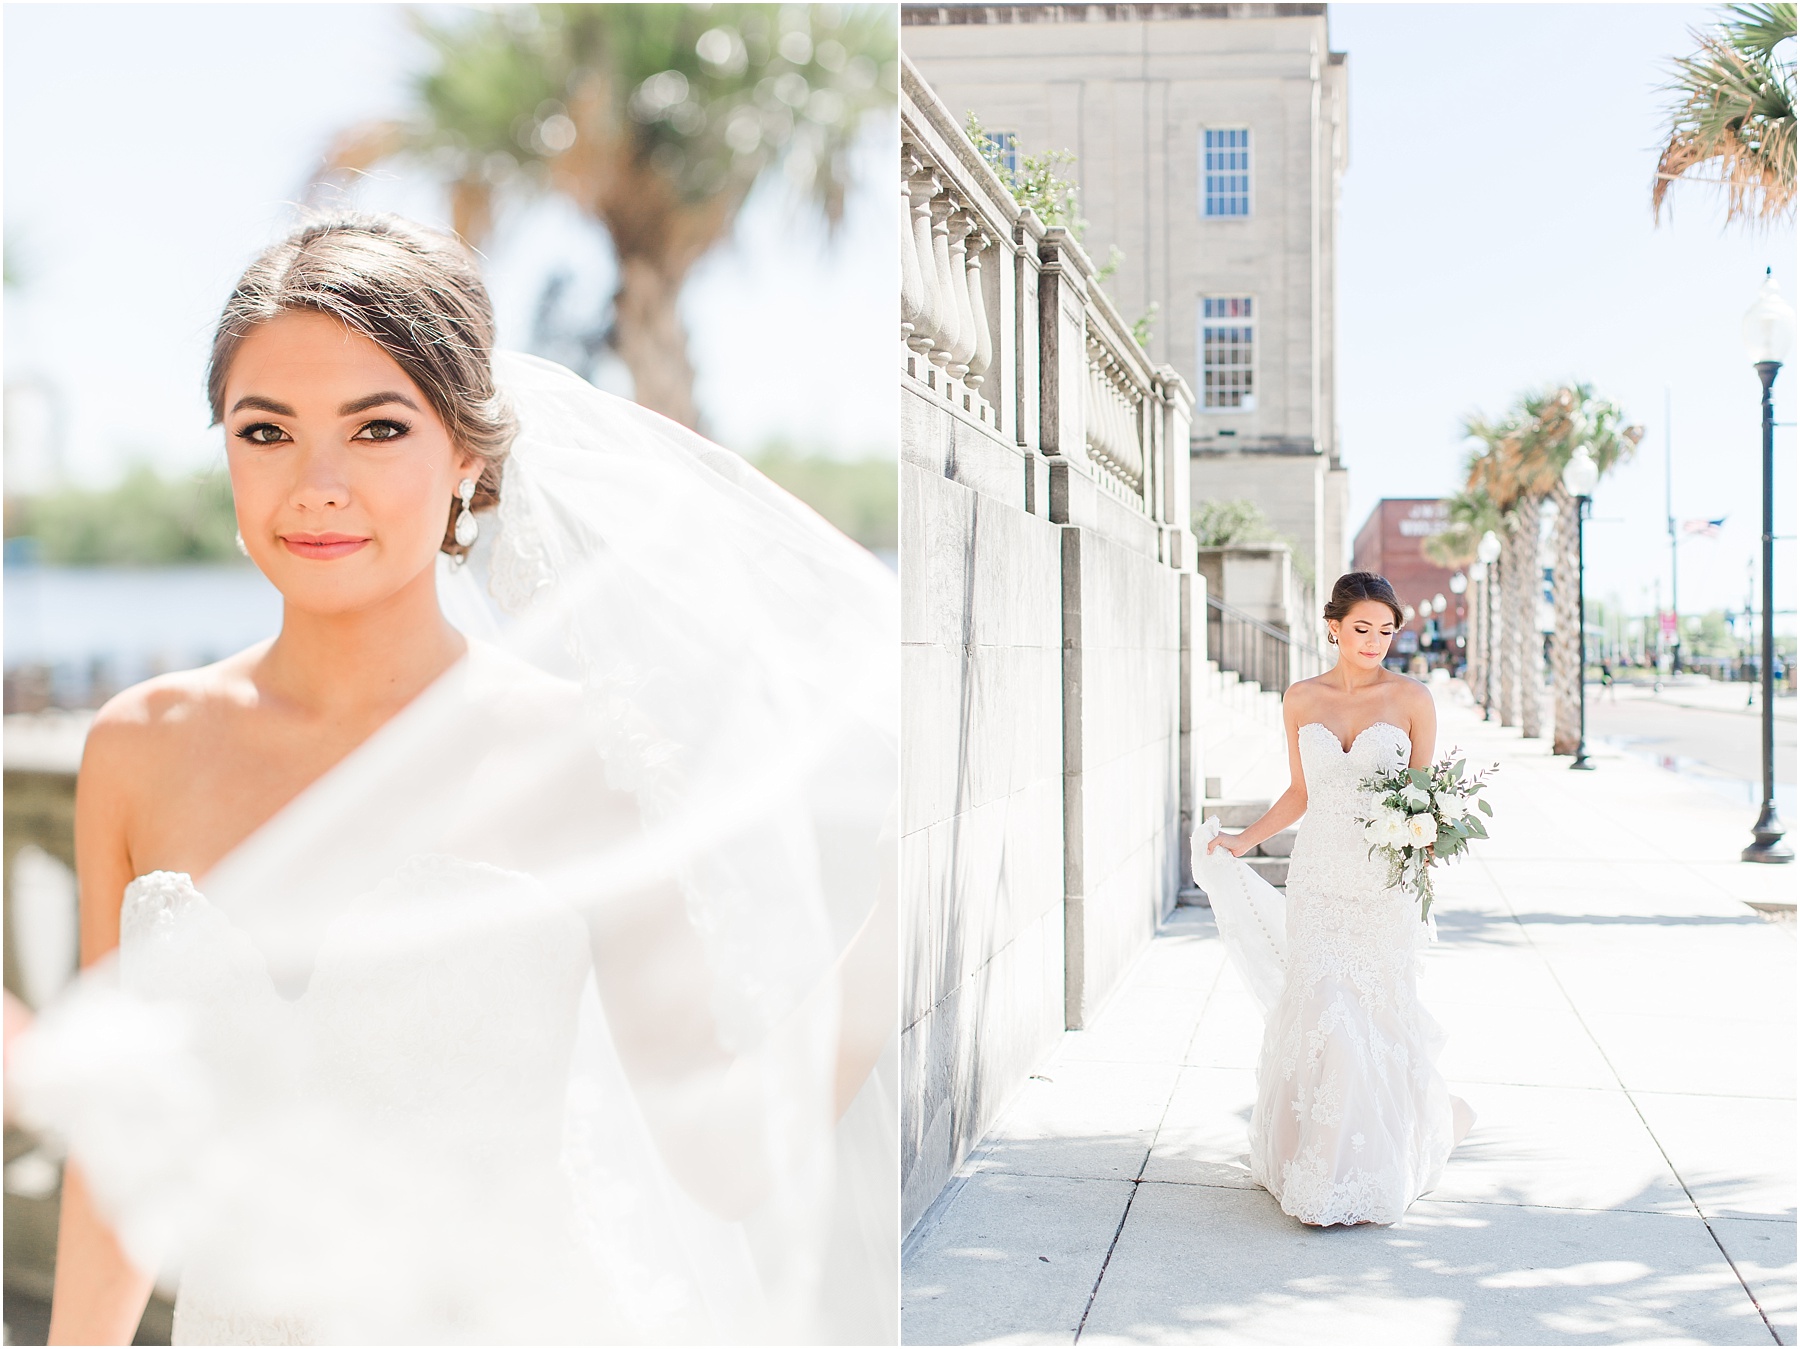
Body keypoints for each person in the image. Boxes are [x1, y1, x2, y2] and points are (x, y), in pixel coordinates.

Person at [7, 214, 897, 1345]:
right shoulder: (140, 746)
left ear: (468, 453)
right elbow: (120, 1143)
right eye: (266, 430)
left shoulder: (584, 754)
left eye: (378, 428)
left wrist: (898, 916)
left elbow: (723, 1151)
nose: (316, 484)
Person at [1194, 570, 1472, 1227]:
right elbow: (1300, 792)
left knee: (1372, 1014)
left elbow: (1422, 793)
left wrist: (1425, 849)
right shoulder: (1301, 698)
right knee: (1325, 1011)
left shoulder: (1413, 699)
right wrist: (1243, 839)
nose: (1375, 641)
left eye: (1386, 630)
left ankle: (1372, 1163)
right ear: (1334, 628)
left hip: (1381, 885)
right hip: (1318, 877)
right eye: (1361, 629)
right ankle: (1317, 1164)